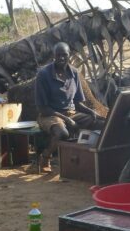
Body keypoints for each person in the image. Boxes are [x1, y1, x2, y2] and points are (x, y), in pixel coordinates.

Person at [34, 42, 106, 172]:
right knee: (62, 133)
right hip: (50, 115)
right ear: (53, 56)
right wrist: (67, 120)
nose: (61, 58)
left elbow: (78, 103)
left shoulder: (74, 73)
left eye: (64, 55)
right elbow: (43, 108)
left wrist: (91, 112)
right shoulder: (44, 75)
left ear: (69, 56)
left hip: (71, 112)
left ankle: (96, 157)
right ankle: (45, 157)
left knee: (102, 123)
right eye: (58, 55)